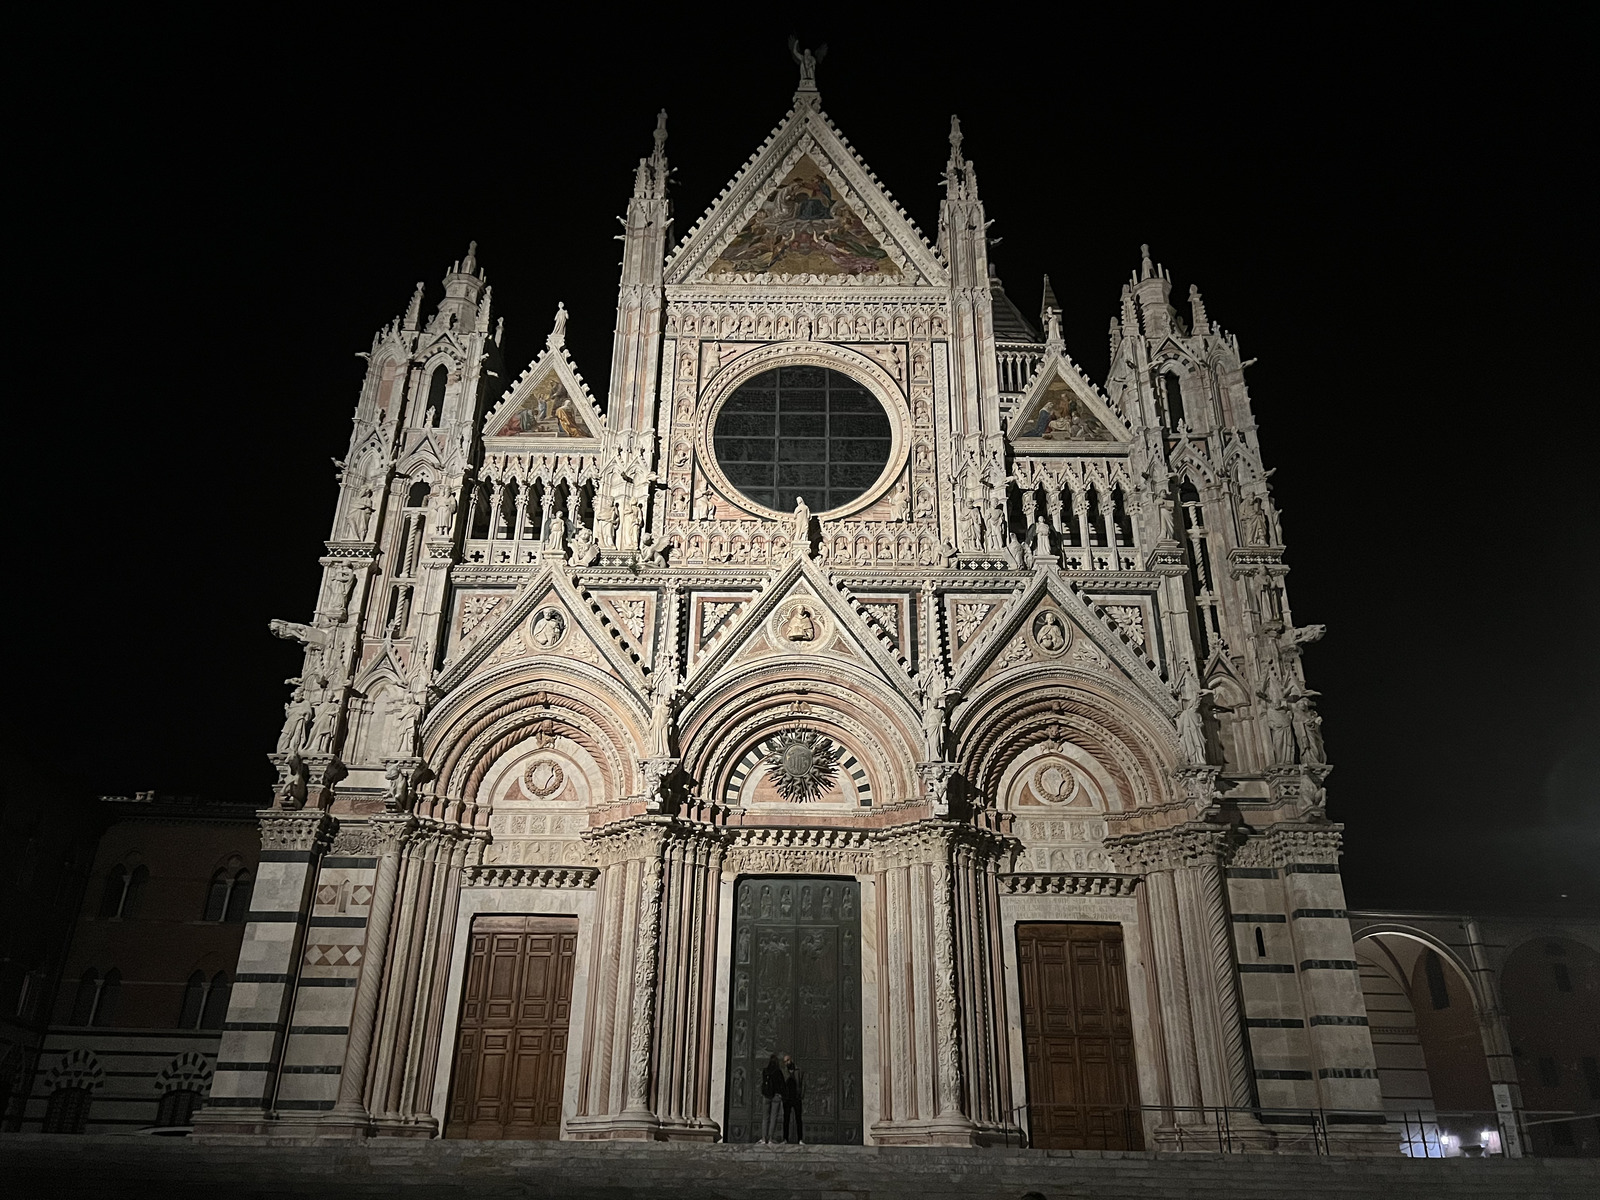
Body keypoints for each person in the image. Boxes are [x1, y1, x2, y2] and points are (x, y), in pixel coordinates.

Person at [760, 1053, 784, 1144]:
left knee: (765, 1118)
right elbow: (781, 1084)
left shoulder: (765, 1071)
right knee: (773, 1117)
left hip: (766, 1096)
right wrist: (781, 1094)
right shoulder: (778, 1071)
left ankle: (763, 1138)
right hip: (776, 1096)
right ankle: (770, 1138)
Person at [782, 1053, 805, 1145]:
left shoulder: (798, 1070)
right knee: (786, 1119)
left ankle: (800, 1139)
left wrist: (801, 1095)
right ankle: (785, 1138)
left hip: (796, 1097)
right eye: (785, 1061)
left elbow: (803, 1083)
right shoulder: (784, 1072)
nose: (787, 1062)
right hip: (787, 1098)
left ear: (791, 1060)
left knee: (798, 1119)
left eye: (788, 1060)